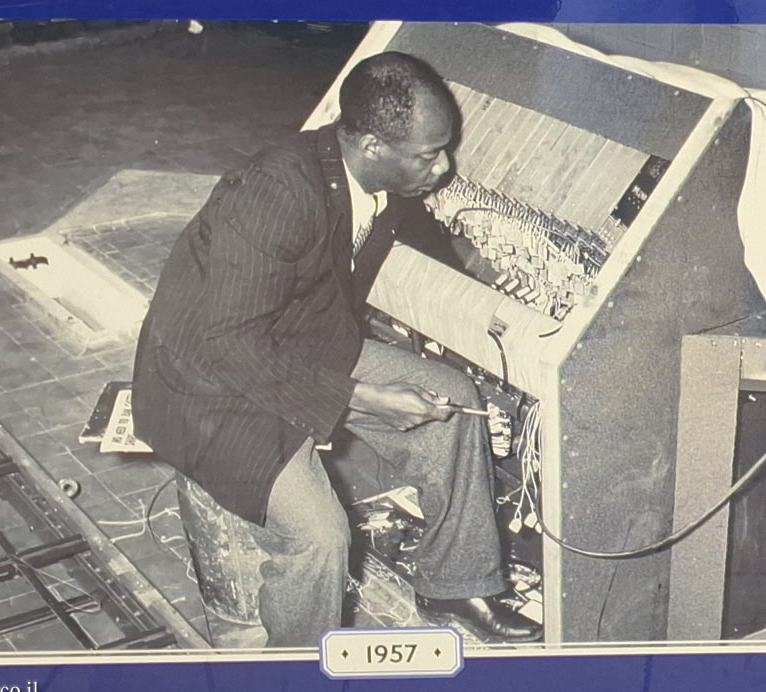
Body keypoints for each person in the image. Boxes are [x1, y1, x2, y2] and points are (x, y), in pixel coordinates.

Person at [131, 51, 541, 647]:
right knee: (319, 536)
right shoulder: (276, 193)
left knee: (451, 402)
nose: (445, 167)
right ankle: (300, 671)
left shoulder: (376, 177)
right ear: (372, 145)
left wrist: (492, 279)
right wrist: (362, 399)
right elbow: (227, 341)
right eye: (430, 154)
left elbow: (417, 230)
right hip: (207, 384)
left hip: (297, 343)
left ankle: (454, 584)